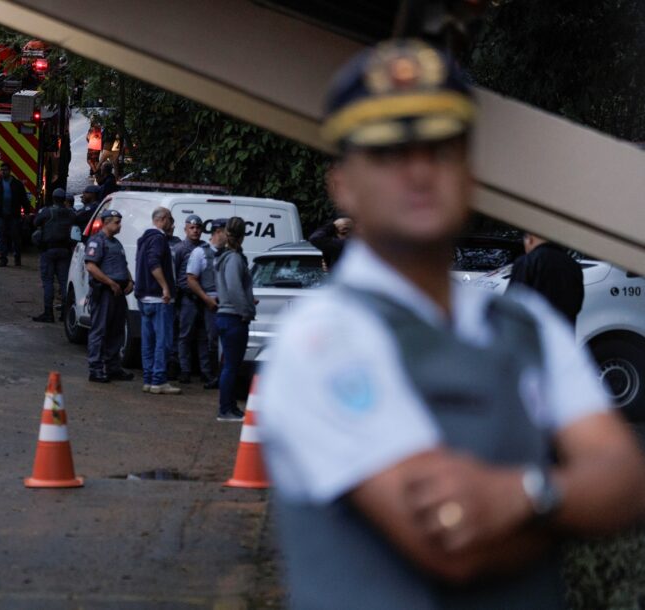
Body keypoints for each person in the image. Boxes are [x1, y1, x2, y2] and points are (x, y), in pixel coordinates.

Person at [259, 39, 645, 609]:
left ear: (471, 173)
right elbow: (449, 539)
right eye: (390, 151)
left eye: (442, 148)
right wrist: (569, 499)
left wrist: (524, 494)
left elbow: (626, 480)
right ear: (343, 183)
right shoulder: (322, 338)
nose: (419, 170)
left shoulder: (524, 323)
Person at [84, 209, 135, 383]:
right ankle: (96, 369)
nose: (119, 225)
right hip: (104, 292)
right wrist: (110, 283)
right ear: (106, 222)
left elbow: (123, 265)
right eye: (116, 222)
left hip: (118, 293)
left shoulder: (116, 243)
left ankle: (113, 367)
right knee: (99, 330)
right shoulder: (97, 241)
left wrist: (129, 281)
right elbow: (91, 266)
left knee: (117, 330)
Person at [135, 207, 181, 395]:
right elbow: (154, 263)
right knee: (163, 341)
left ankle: (148, 379)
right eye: (171, 219)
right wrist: (165, 287)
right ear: (163, 219)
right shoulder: (159, 239)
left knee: (148, 341)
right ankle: (159, 380)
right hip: (159, 299)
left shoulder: (143, 239)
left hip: (144, 297)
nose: (173, 223)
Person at [214, 217, 254, 421]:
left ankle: (229, 406)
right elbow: (235, 289)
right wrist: (246, 310)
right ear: (242, 235)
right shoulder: (234, 259)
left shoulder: (225, 258)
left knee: (230, 365)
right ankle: (225, 409)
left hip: (226, 315)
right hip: (233, 317)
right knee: (231, 365)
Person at [186, 217, 228, 389]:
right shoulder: (200, 252)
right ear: (218, 232)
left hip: (226, 302)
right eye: (227, 232)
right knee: (211, 340)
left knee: (222, 340)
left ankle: (220, 374)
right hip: (209, 302)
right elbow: (191, 278)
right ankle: (210, 375)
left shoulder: (228, 253)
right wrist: (206, 299)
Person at [508, 233, 584, 327]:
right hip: (563, 333)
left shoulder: (526, 261)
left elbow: (511, 304)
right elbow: (577, 305)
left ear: (529, 239)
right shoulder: (574, 266)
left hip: (530, 334)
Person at [172, 214, 209, 384]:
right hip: (187, 298)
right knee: (184, 335)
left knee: (204, 336)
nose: (195, 231)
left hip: (204, 298)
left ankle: (205, 371)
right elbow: (175, 272)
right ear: (186, 229)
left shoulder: (205, 248)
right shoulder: (180, 248)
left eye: (198, 228)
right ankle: (185, 370)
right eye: (192, 228)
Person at [32, 188, 77, 323]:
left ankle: (48, 313)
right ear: (64, 199)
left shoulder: (47, 212)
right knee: (64, 282)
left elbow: (36, 222)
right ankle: (64, 313)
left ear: (52, 198)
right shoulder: (71, 214)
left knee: (48, 282)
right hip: (64, 251)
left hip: (49, 250)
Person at [0, 162, 29, 267]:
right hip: (1, 215)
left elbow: (24, 199)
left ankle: (17, 258)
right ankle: (3, 259)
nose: (3, 172)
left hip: (14, 216)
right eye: (1, 170)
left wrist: (27, 213)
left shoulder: (17, 184)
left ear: (10, 171)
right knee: (1, 238)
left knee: (16, 238)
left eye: (5, 170)